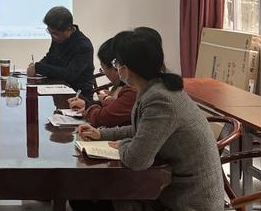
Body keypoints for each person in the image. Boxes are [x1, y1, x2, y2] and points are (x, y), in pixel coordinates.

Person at [76, 31, 224, 211]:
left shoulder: (160, 99)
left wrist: (123, 144)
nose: (116, 68)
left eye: (116, 63)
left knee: (90, 198)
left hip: (189, 202)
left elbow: (136, 160)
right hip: (173, 189)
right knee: (89, 196)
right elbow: (143, 129)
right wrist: (101, 134)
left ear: (125, 69)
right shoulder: (158, 87)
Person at [27, 6, 94, 99]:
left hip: (78, 96)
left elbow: (68, 74)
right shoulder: (58, 38)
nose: (52, 37)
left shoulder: (84, 46)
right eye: (49, 32)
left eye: (55, 34)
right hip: (57, 90)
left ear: (69, 29)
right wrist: (36, 67)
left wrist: (39, 67)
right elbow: (50, 58)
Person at [67, 37, 136, 127]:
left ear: (117, 68)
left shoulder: (132, 91)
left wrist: (88, 107)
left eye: (103, 69)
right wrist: (89, 104)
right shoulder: (126, 87)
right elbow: (114, 105)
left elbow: (102, 118)